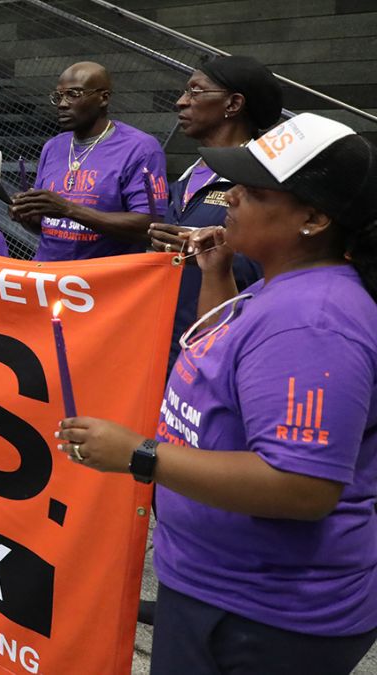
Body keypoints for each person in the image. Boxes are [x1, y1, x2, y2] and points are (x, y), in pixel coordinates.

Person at [55, 113, 377, 675]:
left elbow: (304, 486)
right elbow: (221, 362)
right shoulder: (284, 286)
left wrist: (140, 454)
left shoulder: (314, 322)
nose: (227, 199)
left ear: (314, 218)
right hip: (218, 584)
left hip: (264, 616)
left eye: (250, 192)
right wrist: (215, 271)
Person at [149, 56, 283, 369]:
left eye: (195, 91)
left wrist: (213, 255)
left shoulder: (264, 180)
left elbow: (278, 266)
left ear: (233, 104)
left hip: (221, 355)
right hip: (168, 346)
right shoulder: (187, 177)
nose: (182, 102)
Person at [9, 61, 168, 261]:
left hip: (102, 280)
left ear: (104, 98)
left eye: (73, 94)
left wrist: (68, 209)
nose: (62, 104)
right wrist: (26, 214)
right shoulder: (53, 146)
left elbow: (149, 226)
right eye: (58, 96)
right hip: (48, 276)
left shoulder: (141, 148)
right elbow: (45, 225)